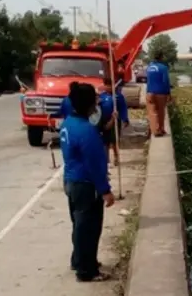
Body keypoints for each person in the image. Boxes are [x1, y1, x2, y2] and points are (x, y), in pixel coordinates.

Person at [60, 83, 115, 282]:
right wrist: (105, 190)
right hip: (85, 185)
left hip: (71, 181)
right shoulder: (87, 131)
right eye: (96, 99)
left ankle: (79, 260)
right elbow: (95, 164)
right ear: (90, 103)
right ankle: (87, 270)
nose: (98, 102)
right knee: (89, 228)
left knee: (79, 225)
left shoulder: (68, 124)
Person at [98, 77, 128, 165]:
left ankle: (116, 157)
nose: (108, 87)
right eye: (106, 85)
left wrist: (125, 119)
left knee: (114, 141)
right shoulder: (101, 96)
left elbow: (123, 108)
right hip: (104, 122)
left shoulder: (118, 96)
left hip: (115, 121)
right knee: (105, 142)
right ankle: (106, 159)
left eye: (110, 85)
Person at [145, 52, 171, 137]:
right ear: (161, 58)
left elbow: (148, 80)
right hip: (161, 93)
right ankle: (160, 129)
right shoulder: (163, 68)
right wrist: (168, 93)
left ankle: (154, 130)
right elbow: (165, 81)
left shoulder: (149, 67)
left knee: (152, 112)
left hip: (149, 92)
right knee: (160, 111)